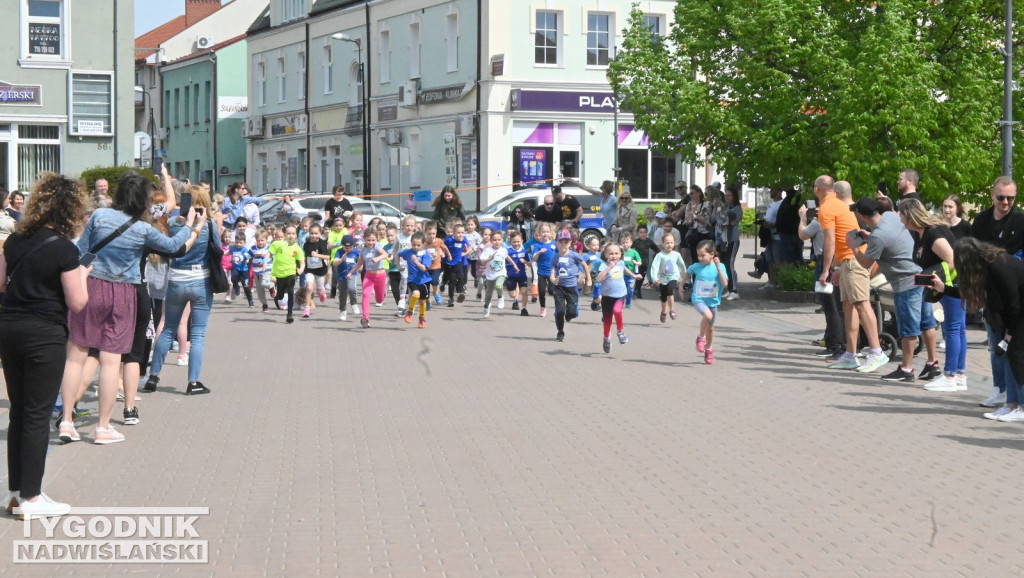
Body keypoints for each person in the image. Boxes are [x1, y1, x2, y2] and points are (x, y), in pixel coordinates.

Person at [59, 172, 200, 445]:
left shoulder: (99, 217)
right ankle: (102, 427)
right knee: (112, 361)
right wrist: (190, 226)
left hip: (93, 286)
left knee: (76, 355)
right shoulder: (143, 228)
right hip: (124, 291)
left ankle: (66, 421)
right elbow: (173, 246)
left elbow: (82, 252)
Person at [0, 173, 90, 519]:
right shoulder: (65, 249)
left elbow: (1, 282)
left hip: (9, 327)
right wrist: (82, 271)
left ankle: (15, 491)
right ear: (69, 210)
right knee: (37, 414)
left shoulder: (16, 240)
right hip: (44, 332)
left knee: (19, 410)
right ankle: (32, 498)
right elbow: (78, 302)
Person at [929, 237, 1024, 422]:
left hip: (1019, 310)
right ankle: (1011, 405)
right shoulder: (985, 265)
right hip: (1011, 312)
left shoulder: (998, 264)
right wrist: (944, 288)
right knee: (1006, 356)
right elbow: (973, 291)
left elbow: (1014, 302)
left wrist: (1010, 332)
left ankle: (1022, 407)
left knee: (1017, 355)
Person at [849, 197, 938, 383]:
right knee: (927, 322)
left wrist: (854, 248)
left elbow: (865, 263)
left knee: (908, 328)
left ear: (861, 215)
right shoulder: (890, 216)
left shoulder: (878, 237)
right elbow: (886, 240)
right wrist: (869, 237)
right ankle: (932, 363)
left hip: (905, 284)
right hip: (921, 276)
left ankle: (907, 369)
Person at [815, 178, 888, 371]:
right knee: (849, 307)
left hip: (854, 261)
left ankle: (877, 352)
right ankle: (851, 354)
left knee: (862, 304)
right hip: (849, 260)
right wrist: (838, 267)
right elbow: (845, 237)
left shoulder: (826, 208)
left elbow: (830, 241)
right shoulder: (840, 205)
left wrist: (826, 270)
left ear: (817, 189)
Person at [971, 176, 1024, 407]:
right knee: (995, 345)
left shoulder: (1020, 221)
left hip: (1013, 288)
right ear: (993, 195)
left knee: (1012, 345)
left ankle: (1015, 401)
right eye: (1001, 197)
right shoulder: (981, 220)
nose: (1005, 202)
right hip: (989, 288)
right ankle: (1000, 390)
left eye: (1010, 198)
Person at [897, 199, 961, 391]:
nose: (899, 218)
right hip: (942, 284)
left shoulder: (933, 232)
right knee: (954, 329)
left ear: (910, 215)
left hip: (953, 283)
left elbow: (952, 260)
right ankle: (958, 375)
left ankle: (951, 376)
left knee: (953, 329)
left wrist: (932, 279)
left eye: (901, 214)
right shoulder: (919, 233)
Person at [800, 200, 843, 357]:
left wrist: (803, 218)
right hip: (833, 261)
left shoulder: (820, 221)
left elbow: (803, 234)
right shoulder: (838, 217)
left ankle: (835, 344)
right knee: (832, 305)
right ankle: (831, 339)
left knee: (830, 304)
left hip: (825, 260)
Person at [688, 240, 729, 365]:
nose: (700, 258)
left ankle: (709, 349)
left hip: (713, 301)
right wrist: (681, 284)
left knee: (710, 328)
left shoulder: (720, 267)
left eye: (702, 255)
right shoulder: (697, 266)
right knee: (708, 316)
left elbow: (725, 283)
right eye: (698, 255)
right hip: (699, 299)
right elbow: (687, 272)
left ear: (712, 254)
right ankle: (701, 338)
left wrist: (718, 267)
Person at [595, 242, 640, 353]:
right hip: (607, 297)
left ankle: (620, 331)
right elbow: (598, 279)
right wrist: (608, 268)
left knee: (617, 310)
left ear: (620, 254)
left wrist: (634, 275)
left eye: (616, 253)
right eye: (611, 253)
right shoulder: (603, 265)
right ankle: (606, 338)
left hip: (620, 295)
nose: (614, 256)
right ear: (605, 255)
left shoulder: (620, 263)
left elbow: (625, 269)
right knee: (607, 321)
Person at [549, 229, 590, 342]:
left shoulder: (574, 255)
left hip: (572, 288)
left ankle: (569, 314)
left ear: (570, 243)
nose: (563, 244)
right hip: (559, 288)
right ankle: (560, 331)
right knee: (560, 311)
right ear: (556, 243)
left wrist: (588, 280)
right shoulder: (555, 257)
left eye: (566, 242)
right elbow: (552, 273)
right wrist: (553, 280)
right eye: (560, 242)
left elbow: (585, 266)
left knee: (571, 312)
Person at [269, 224, 304, 323]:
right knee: (280, 295)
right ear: (284, 234)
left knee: (290, 291)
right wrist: (265, 261)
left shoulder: (297, 248)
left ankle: (289, 314)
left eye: (293, 233)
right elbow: (269, 252)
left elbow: (302, 261)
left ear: (296, 235)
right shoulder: (278, 244)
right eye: (288, 233)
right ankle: (278, 295)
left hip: (291, 272)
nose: (291, 236)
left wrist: (301, 269)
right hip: (279, 273)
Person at [355, 227, 388, 328]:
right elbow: (360, 262)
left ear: (376, 239)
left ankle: (383, 293)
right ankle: (365, 318)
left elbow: (385, 254)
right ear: (364, 239)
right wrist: (351, 272)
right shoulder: (363, 250)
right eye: (368, 240)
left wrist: (377, 258)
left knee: (379, 300)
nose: (370, 242)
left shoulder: (377, 246)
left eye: (373, 240)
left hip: (380, 275)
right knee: (365, 294)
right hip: (369, 275)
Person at [398, 231, 432, 328]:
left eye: (418, 245)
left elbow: (424, 268)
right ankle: (410, 311)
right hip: (412, 280)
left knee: (422, 301)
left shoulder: (425, 254)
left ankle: (422, 318)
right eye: (414, 245)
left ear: (423, 244)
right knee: (415, 294)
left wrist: (415, 261)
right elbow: (398, 254)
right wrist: (398, 266)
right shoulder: (408, 252)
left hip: (424, 280)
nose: (416, 247)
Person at [650, 232, 686, 324]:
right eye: (667, 243)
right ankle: (663, 311)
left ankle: (672, 310)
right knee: (663, 297)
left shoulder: (676, 255)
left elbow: (682, 265)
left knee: (670, 290)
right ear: (663, 244)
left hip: (673, 277)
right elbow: (654, 267)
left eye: (671, 242)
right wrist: (654, 278)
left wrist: (684, 276)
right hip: (662, 279)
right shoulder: (660, 255)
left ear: (674, 243)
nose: (669, 245)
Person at [716, 186, 743, 300]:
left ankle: (734, 290)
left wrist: (725, 217)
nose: (727, 197)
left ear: (734, 196)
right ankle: (729, 288)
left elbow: (732, 221)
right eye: (725, 195)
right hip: (723, 240)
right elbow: (718, 220)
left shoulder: (737, 208)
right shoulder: (724, 207)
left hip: (732, 239)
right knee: (724, 264)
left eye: (729, 195)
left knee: (729, 263)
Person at [301, 224, 330, 317]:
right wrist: (301, 266)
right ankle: (307, 308)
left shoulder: (322, 243)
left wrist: (318, 255)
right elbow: (305, 257)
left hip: (320, 270)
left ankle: (322, 293)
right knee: (309, 288)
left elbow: (328, 257)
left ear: (320, 233)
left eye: (316, 233)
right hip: (309, 269)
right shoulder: (306, 244)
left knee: (319, 289)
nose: (314, 235)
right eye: (312, 233)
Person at [479, 230, 509, 317]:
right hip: (490, 275)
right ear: (491, 241)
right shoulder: (487, 250)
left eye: (499, 240)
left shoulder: (504, 250)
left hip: (501, 273)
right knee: (488, 294)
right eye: (494, 240)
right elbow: (483, 262)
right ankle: (486, 307)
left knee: (499, 285)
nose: (497, 242)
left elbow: (507, 257)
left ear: (502, 240)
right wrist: (490, 258)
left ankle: (500, 297)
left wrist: (514, 265)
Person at [442, 222, 472, 305]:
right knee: (452, 281)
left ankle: (459, 293)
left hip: (459, 262)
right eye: (458, 233)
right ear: (453, 233)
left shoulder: (464, 239)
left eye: (462, 232)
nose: (461, 235)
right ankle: (451, 298)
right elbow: (442, 246)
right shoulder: (449, 240)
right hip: (449, 263)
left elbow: (470, 247)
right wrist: (444, 253)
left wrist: (465, 253)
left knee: (462, 277)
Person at [531, 223, 557, 317]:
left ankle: (559, 305)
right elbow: (534, 258)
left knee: (551, 291)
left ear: (550, 232)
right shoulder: (537, 245)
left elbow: (560, 254)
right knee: (541, 291)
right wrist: (539, 252)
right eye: (543, 232)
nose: (545, 234)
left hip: (552, 272)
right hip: (541, 272)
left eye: (547, 232)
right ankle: (543, 308)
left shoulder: (554, 244)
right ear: (539, 233)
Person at [333, 235, 359, 321]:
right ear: (342, 245)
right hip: (342, 276)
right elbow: (335, 263)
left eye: (350, 247)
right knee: (343, 294)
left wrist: (361, 267)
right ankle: (343, 311)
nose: (348, 249)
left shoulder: (356, 252)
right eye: (346, 247)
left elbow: (360, 261)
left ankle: (354, 303)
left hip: (352, 274)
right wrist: (341, 259)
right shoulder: (339, 252)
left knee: (351, 289)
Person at [505, 231, 530, 314]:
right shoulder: (508, 251)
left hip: (522, 275)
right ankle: (515, 298)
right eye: (514, 242)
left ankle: (524, 309)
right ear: (510, 241)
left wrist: (525, 262)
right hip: (511, 275)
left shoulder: (524, 252)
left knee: (524, 292)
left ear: (522, 241)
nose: (516, 243)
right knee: (512, 294)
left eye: (518, 241)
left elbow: (530, 264)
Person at [227, 234, 254, 307]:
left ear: (244, 242)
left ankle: (250, 301)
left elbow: (247, 259)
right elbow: (228, 253)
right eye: (237, 242)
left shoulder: (245, 249)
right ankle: (236, 287)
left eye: (240, 243)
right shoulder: (233, 248)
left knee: (246, 286)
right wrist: (222, 254)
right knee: (233, 278)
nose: (238, 244)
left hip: (243, 270)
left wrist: (245, 261)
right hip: (235, 268)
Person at [632, 225, 657, 299]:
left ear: (647, 233)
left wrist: (657, 255)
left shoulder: (649, 241)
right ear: (638, 234)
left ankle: (638, 290)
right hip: (637, 263)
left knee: (642, 277)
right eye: (641, 232)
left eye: (645, 232)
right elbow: (630, 249)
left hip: (645, 262)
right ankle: (636, 290)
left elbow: (656, 249)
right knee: (638, 276)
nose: (643, 234)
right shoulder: (636, 242)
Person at [251, 231, 273, 312]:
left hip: (267, 270)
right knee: (259, 290)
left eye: (262, 240)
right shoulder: (253, 248)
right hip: (256, 271)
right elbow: (247, 255)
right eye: (258, 240)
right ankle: (264, 304)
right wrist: (239, 258)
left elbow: (275, 256)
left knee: (264, 283)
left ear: (266, 240)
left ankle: (271, 287)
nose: (260, 242)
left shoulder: (269, 248)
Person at [620, 233, 642, 307]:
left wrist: (637, 263)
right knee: (622, 289)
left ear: (631, 243)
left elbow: (640, 262)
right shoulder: (620, 252)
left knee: (630, 290)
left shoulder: (634, 252)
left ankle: (628, 302)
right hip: (621, 275)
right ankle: (621, 301)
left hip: (631, 275)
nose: (625, 244)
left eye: (627, 242)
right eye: (623, 243)